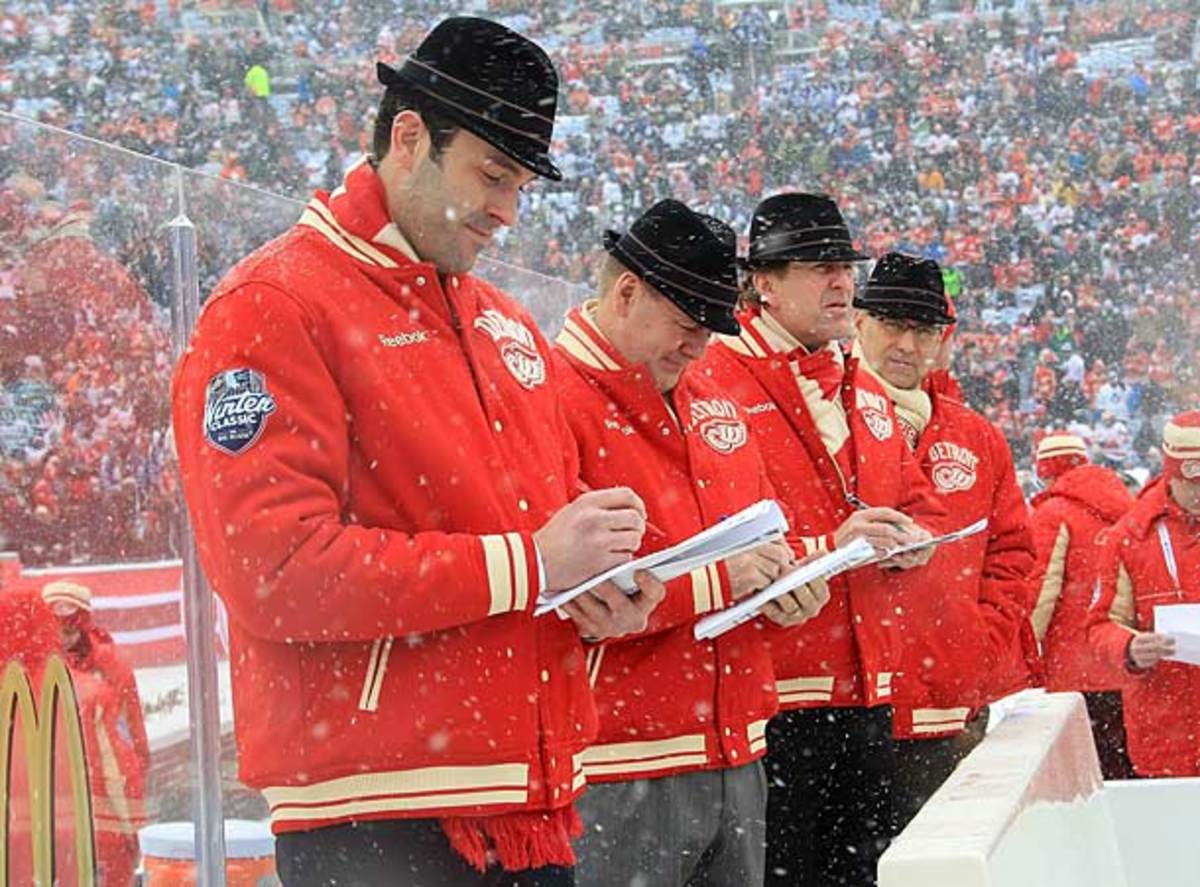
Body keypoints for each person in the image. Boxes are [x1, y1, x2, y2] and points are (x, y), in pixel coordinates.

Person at [171, 18, 664, 886]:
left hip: (529, 802)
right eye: (493, 176)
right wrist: (530, 565)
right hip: (378, 815)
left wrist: (596, 595)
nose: (508, 211)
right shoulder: (272, 304)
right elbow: (271, 569)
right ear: (408, 138)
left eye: (521, 185)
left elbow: (538, 545)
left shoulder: (505, 321)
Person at [553, 199, 829, 887]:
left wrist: (789, 584)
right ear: (626, 293)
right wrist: (722, 581)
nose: (698, 348)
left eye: (710, 331)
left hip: (737, 750)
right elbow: (566, 599)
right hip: (618, 764)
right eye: (686, 326)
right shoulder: (551, 397)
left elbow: (764, 532)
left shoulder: (710, 396)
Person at [695, 194, 946, 887]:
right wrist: (827, 546)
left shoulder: (861, 382)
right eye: (820, 268)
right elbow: (712, 539)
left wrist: (916, 536)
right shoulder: (713, 375)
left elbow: (917, 499)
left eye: (845, 267)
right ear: (765, 284)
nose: (842, 282)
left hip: (867, 691)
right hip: (775, 700)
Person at [851, 252, 1039, 836]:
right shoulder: (823, 418)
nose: (907, 344)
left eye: (924, 330)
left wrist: (977, 645)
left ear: (942, 339)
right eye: (892, 324)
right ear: (859, 322)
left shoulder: (976, 437)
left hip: (943, 709)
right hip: (840, 710)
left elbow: (1012, 554)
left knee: (938, 865)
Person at [1089, 411, 1200, 779]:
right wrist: (1129, 647)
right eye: (1193, 483)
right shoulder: (1129, 538)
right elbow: (1100, 625)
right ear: (1171, 474)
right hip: (1167, 732)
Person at [1028, 431, 1136, 778]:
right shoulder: (1129, 509)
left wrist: (1021, 651)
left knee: (1086, 778)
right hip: (1128, 661)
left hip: (1074, 667)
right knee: (1127, 772)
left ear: (1046, 471)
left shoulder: (1053, 513)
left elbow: (1040, 591)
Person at [42, 579, 150, 886]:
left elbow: (131, 743)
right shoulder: (35, 674)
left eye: (69, 629)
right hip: (75, 823)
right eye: (57, 629)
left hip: (98, 822)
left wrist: (131, 814)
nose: (63, 639)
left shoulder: (110, 670)